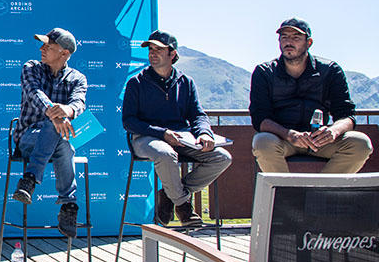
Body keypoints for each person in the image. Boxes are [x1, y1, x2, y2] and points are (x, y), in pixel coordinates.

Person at [122, 30, 232, 227]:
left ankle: (169, 194)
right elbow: (129, 121)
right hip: (146, 138)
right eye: (151, 49)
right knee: (165, 154)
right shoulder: (136, 83)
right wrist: (161, 133)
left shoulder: (186, 82)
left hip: (183, 138)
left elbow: (198, 115)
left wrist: (204, 133)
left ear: (172, 54)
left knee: (223, 157)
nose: (152, 53)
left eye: (158, 49)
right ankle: (183, 206)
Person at [249, 17, 372, 173]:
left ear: (309, 42)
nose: (288, 42)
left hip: (320, 140)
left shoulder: (330, 71)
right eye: (284, 37)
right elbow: (260, 118)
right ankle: (285, 193)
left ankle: (320, 192)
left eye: (296, 37)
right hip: (282, 139)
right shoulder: (264, 72)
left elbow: (347, 115)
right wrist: (290, 135)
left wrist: (332, 131)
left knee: (361, 144)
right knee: (262, 141)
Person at [12, 28, 86, 238]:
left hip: (59, 143)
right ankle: (69, 204)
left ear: (64, 53)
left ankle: (29, 179)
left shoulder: (78, 78)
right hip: (28, 138)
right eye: (43, 45)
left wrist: (69, 111)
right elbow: (34, 92)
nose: (42, 49)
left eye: (48, 46)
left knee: (62, 141)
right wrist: (55, 115)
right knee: (56, 129)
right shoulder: (31, 67)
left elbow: (79, 103)